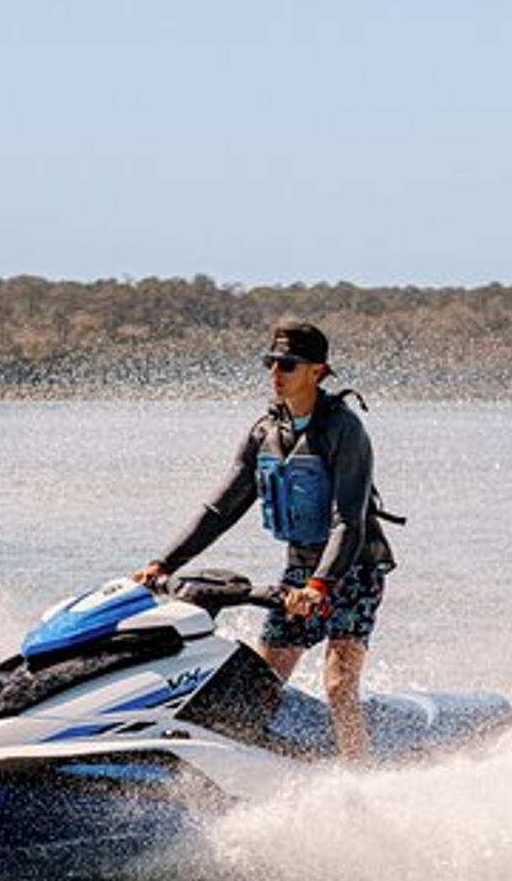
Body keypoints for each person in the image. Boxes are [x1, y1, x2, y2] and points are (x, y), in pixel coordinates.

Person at [133, 320, 395, 761]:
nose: (276, 372)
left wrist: (320, 587)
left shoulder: (344, 431)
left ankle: (360, 780)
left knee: (338, 685)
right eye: (270, 362)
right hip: (299, 573)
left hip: (353, 570)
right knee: (256, 685)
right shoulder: (264, 434)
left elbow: (348, 522)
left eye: (288, 365)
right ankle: (259, 768)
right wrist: (163, 564)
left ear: (318, 371)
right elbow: (219, 510)